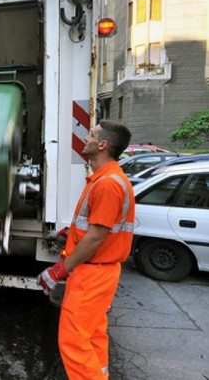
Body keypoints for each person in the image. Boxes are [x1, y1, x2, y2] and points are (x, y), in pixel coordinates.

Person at [37, 119, 134, 380]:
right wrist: (69, 235)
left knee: (73, 341)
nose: (86, 138)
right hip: (100, 273)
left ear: (102, 145)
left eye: (91, 135)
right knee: (92, 336)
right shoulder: (107, 179)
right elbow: (97, 228)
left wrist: (58, 270)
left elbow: (94, 239)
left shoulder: (107, 184)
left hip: (92, 275)